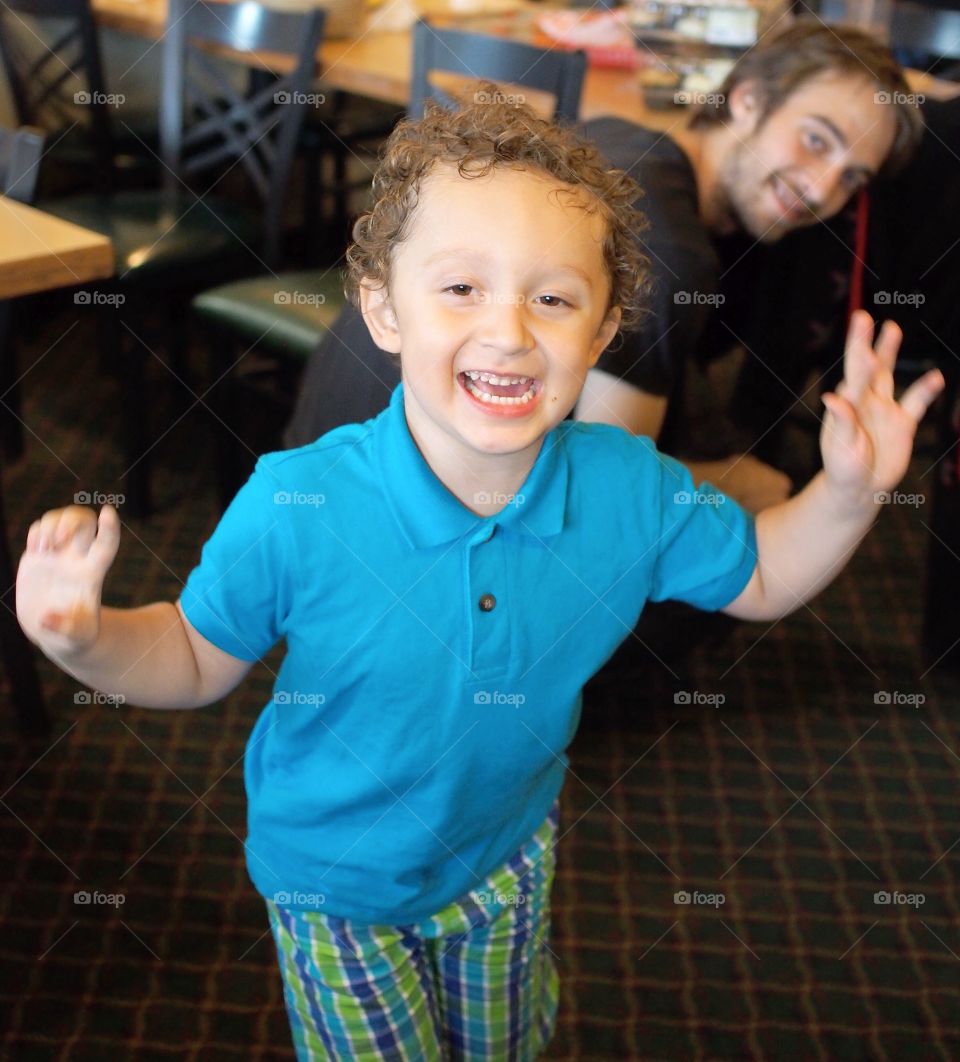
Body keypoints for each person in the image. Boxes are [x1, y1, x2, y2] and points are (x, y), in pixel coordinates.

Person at [16, 95, 941, 1060]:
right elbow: (196, 660)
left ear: (603, 330)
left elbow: (759, 577)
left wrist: (844, 493)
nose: (508, 331)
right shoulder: (296, 503)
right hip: (336, 886)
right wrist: (85, 637)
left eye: (553, 298)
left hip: (505, 858)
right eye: (460, 288)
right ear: (383, 308)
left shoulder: (630, 485)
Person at [284, 19, 924, 515]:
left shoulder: (616, 138)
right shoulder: (671, 247)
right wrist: (773, 490)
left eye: (852, 176)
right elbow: (597, 497)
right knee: (755, 493)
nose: (821, 190)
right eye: (815, 140)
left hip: (321, 456)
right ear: (749, 101)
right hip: (405, 531)